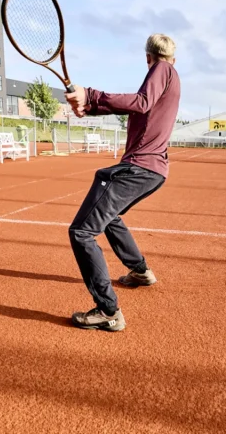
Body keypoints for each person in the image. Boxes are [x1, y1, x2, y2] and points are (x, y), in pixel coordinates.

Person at [62, 33, 182, 332]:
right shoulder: (170, 75)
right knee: (109, 216)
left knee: (81, 232)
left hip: (139, 168)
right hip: (154, 171)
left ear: (148, 58)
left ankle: (108, 311)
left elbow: (140, 103)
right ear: (173, 57)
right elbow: (138, 107)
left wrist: (91, 95)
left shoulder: (162, 70)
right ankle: (140, 271)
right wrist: (90, 106)